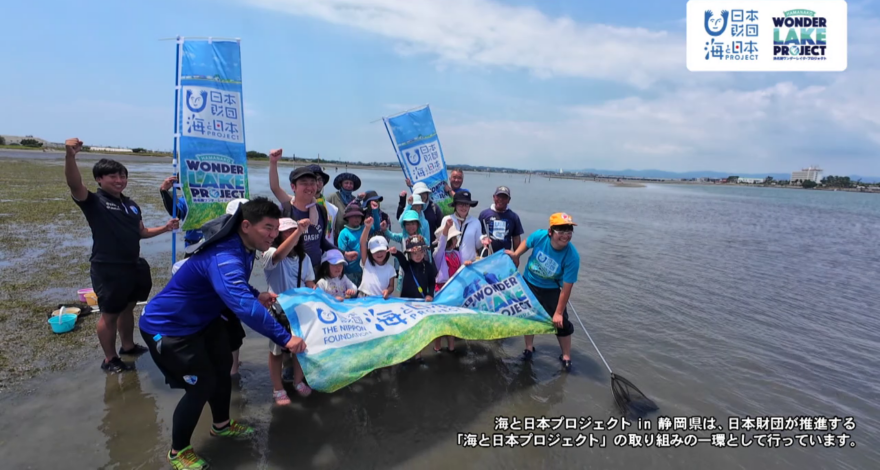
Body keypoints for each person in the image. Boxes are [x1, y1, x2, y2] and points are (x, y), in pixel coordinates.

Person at [138, 197, 307, 469]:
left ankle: (221, 425)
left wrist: (257, 293)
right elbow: (242, 306)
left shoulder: (244, 247)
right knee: (200, 385)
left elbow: (235, 288)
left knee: (223, 366)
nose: (274, 235)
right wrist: (285, 337)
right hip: (168, 327)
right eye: (268, 228)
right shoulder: (225, 254)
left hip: (202, 321)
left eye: (276, 228)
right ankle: (178, 451)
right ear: (245, 225)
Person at [64, 137, 178, 374]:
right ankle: (110, 359)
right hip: (108, 267)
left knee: (129, 307)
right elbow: (75, 185)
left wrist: (166, 228)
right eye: (112, 176)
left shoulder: (132, 205)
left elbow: (141, 232)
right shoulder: (94, 201)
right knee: (109, 314)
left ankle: (127, 347)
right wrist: (70, 157)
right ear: (99, 179)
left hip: (132, 265)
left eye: (122, 176)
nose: (119, 180)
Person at [505, 213, 580, 372]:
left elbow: (567, 288)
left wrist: (558, 312)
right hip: (529, 282)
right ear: (550, 232)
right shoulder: (540, 236)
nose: (565, 235)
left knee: (561, 323)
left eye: (569, 231)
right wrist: (517, 254)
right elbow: (527, 242)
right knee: (528, 317)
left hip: (552, 289)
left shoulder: (572, 256)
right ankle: (529, 348)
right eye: (561, 231)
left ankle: (566, 356)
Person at [259, 217, 315, 405]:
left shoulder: (304, 257)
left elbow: (309, 281)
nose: (292, 234)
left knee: (300, 348)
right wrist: (299, 230)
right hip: (278, 310)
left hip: (299, 310)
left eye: (294, 230)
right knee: (276, 351)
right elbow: (278, 257)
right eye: (288, 231)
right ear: (277, 234)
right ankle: (278, 388)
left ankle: (298, 381)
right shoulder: (269, 253)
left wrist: (317, 293)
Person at [267, 156, 337, 272]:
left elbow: (322, 241)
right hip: (290, 270)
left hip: (315, 269)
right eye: (304, 183)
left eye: (312, 183)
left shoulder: (321, 210)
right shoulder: (285, 210)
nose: (309, 187)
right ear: (293, 187)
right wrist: (273, 162)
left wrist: (343, 253)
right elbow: (275, 187)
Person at [392, 234, 435, 364]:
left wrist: (430, 294)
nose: (418, 255)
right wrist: (396, 253)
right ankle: (405, 355)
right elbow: (401, 258)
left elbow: (432, 283)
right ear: (409, 254)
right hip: (406, 303)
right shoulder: (407, 265)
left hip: (421, 304)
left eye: (421, 252)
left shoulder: (428, 266)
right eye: (414, 252)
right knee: (406, 329)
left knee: (419, 330)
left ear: (424, 252)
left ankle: (418, 356)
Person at [432, 219, 473, 353]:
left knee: (452, 320)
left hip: (454, 290)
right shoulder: (439, 255)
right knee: (439, 321)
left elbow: (461, 268)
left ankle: (451, 347)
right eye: (454, 238)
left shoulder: (456, 254)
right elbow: (441, 244)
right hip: (441, 290)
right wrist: (446, 229)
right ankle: (437, 347)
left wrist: (466, 264)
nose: (457, 241)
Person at [438, 190, 489, 263]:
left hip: (469, 265)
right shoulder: (447, 220)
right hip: (450, 265)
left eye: (466, 205)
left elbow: (478, 245)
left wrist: (483, 240)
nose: (464, 208)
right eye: (461, 204)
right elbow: (441, 243)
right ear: (455, 205)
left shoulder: (475, 222)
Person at [478, 186, 524, 255]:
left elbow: (516, 237)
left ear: (509, 200)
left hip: (504, 256)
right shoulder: (484, 214)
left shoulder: (514, 217)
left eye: (504, 197)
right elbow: (477, 233)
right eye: (498, 197)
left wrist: (516, 256)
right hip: (486, 255)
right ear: (494, 197)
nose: (501, 200)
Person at [358, 216, 397, 299]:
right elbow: (362, 243)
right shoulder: (367, 262)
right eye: (375, 251)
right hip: (364, 297)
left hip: (381, 299)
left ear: (387, 250)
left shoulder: (390, 269)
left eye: (382, 250)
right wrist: (367, 228)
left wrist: (388, 291)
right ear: (370, 253)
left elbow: (391, 286)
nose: (379, 254)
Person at [159, 176, 202, 247]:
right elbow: (176, 212)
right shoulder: (185, 200)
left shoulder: (219, 199)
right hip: (194, 244)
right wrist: (164, 191)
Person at [396, 182, 442, 246]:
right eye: (419, 194)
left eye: (424, 193)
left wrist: (439, 241)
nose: (422, 196)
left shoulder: (434, 207)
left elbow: (441, 226)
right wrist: (402, 202)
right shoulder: (409, 206)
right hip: (410, 246)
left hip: (430, 245)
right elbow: (400, 219)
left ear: (427, 194)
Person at [336, 202, 367, 286]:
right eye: (354, 216)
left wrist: (375, 211)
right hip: (349, 271)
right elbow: (341, 253)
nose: (357, 219)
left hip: (364, 270)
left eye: (359, 217)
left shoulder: (364, 229)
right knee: (350, 295)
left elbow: (376, 227)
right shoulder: (344, 233)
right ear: (348, 218)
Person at [327, 172, 361, 245]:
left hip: (351, 236)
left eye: (351, 183)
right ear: (341, 184)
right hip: (334, 235)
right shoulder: (332, 197)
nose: (348, 185)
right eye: (346, 183)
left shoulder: (355, 200)